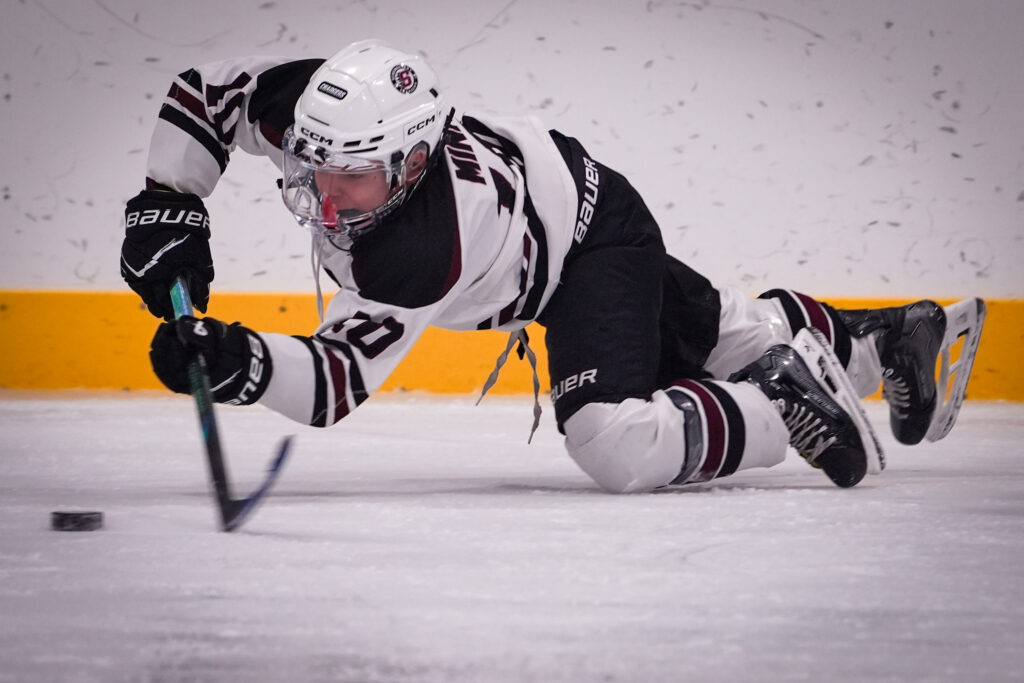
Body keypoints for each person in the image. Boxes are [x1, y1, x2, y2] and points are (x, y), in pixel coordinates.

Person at [121, 39, 984, 493]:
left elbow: (335, 381)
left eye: (350, 178)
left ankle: (776, 400)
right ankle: (900, 336)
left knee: (613, 440)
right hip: (575, 194)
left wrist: (240, 362)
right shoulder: (314, 114)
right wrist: (171, 198)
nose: (324, 195)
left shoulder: (419, 247)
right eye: (311, 166)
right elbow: (207, 92)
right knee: (726, 333)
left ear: (413, 163)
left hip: (583, 248)